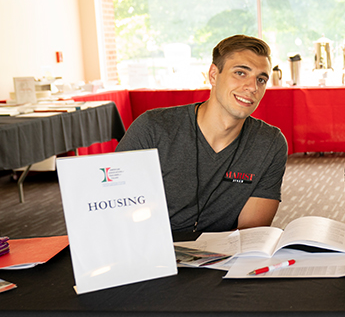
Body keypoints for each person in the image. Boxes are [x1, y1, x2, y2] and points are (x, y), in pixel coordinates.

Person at [116, 35, 288, 233]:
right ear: (213, 75)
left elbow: (249, 236)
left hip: (224, 258)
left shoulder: (269, 144)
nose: (252, 87)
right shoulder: (154, 128)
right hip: (152, 252)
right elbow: (116, 212)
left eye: (261, 79)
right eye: (240, 73)